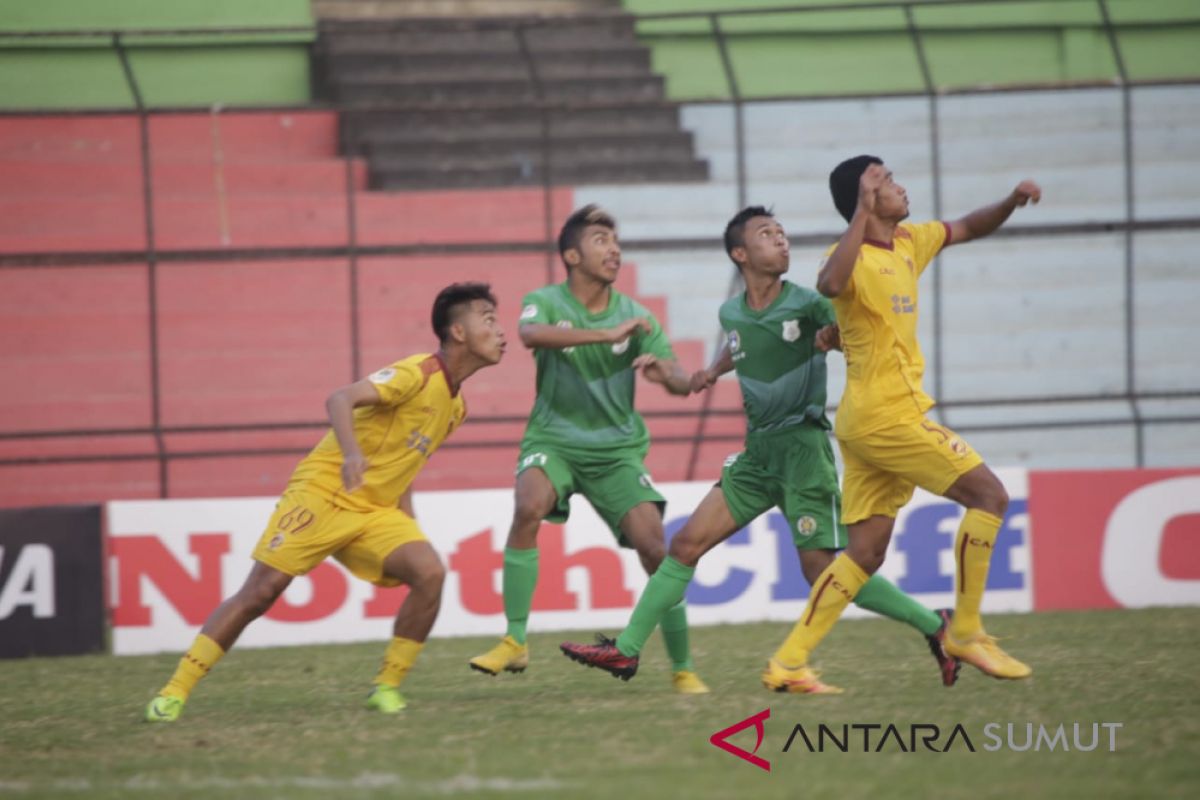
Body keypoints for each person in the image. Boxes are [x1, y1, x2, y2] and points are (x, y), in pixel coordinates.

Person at [560, 206, 960, 694]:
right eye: (768, 235)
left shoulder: (810, 303)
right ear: (741, 254)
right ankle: (626, 650)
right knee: (685, 545)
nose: (782, 241)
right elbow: (746, 339)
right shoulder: (730, 312)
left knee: (823, 570)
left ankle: (936, 624)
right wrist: (710, 371)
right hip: (758, 454)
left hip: (803, 450)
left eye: (783, 234)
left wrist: (835, 339)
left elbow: (854, 328)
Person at [144, 283, 507, 722]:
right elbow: (340, 398)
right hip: (324, 492)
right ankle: (173, 692)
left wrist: (407, 520)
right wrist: (352, 454)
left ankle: (386, 688)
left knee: (429, 571)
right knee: (261, 592)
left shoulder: (456, 407)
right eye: (488, 319)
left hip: (373, 512)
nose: (500, 331)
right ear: (459, 332)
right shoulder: (417, 373)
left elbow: (405, 460)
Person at [794, 155, 1041, 682]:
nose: (900, 188)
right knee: (989, 497)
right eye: (885, 182)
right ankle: (966, 631)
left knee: (862, 554)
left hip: (867, 420)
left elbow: (969, 226)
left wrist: (1010, 202)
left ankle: (787, 662)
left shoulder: (909, 241)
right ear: (864, 198)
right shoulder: (849, 256)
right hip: (888, 417)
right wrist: (860, 213)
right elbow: (830, 286)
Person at [468, 205, 709, 694]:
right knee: (528, 505)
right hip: (553, 440)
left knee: (656, 550)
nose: (614, 249)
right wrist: (604, 334)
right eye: (601, 240)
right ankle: (515, 641)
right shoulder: (546, 301)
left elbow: (679, 378)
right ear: (572, 255)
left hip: (617, 451)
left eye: (615, 240)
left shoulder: (638, 317)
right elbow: (530, 335)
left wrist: (670, 378)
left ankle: (683, 669)